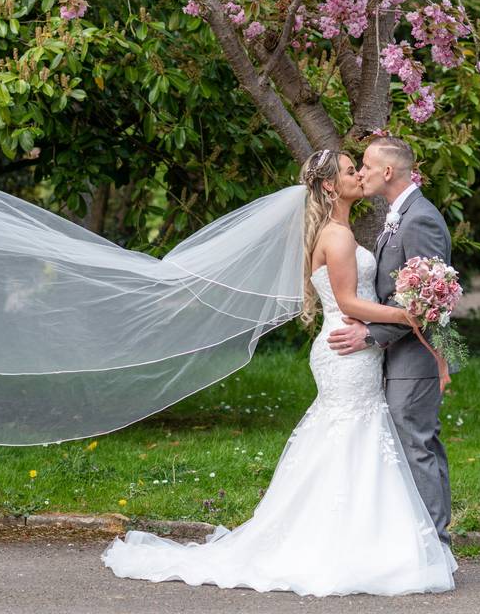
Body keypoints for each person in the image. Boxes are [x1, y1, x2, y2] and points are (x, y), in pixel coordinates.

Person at [100, 148, 457, 597]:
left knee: (354, 440)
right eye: (351, 170)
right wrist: (412, 315)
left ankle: (363, 539)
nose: (358, 175)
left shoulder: (342, 230)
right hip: (348, 347)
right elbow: (347, 303)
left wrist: (412, 323)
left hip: (353, 347)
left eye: (361, 167)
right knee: (354, 437)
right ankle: (363, 545)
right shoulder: (339, 237)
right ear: (330, 185)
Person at [327, 137, 454, 548]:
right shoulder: (398, 216)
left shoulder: (420, 220)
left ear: (387, 172)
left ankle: (435, 544)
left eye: (365, 165)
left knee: (417, 443)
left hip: (415, 357)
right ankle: (415, 542)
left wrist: (371, 332)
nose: (360, 172)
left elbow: (424, 302)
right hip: (396, 355)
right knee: (408, 443)